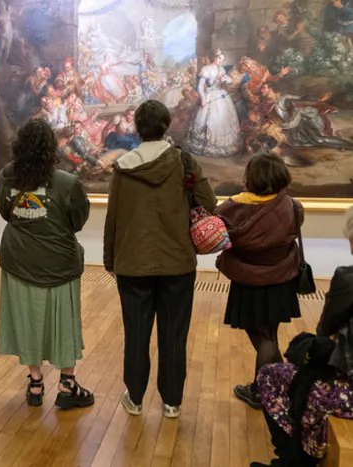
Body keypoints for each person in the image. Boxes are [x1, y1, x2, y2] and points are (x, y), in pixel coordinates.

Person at [103, 100, 217, 419]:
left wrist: (110, 260)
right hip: (177, 263)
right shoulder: (183, 161)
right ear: (166, 124)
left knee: (136, 333)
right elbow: (209, 201)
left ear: (138, 128)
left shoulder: (124, 166)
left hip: (133, 264)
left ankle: (135, 398)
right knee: (174, 333)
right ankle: (171, 402)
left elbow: (113, 218)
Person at [0, 119, 94, 410]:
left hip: (19, 261)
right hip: (59, 263)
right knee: (63, 323)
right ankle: (67, 384)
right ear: (51, 148)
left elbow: (6, 212)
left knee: (26, 320)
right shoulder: (67, 183)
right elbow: (78, 220)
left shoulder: (6, 178)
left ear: (19, 146)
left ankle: (35, 383)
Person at [253, 207, 353, 467]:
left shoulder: (348, 279)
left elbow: (324, 329)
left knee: (273, 377)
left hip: (349, 391)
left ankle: (293, 459)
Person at [216, 152, 303, 410]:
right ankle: (278, 383)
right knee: (269, 333)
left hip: (247, 279)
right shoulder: (292, 206)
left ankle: (260, 390)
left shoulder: (232, 207)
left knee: (262, 336)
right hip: (280, 277)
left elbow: (218, 232)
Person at [186, 49, 241, 157]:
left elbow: (229, 80)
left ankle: (220, 145)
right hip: (209, 95)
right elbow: (200, 86)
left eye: (222, 59)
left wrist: (223, 80)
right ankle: (205, 145)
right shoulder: (206, 69)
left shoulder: (221, 69)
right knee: (206, 119)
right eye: (219, 58)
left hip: (221, 95)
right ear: (214, 57)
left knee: (222, 117)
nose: (220, 61)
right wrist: (202, 98)